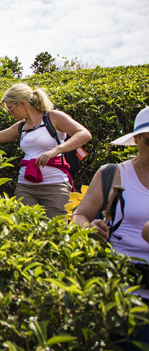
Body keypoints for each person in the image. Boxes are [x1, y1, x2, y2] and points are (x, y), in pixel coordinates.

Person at [0, 83, 92, 218]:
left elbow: (84, 134)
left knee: (57, 229)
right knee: (27, 228)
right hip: (25, 185)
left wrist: (56, 150)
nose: (9, 113)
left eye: (10, 108)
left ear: (22, 104)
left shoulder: (53, 117)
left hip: (54, 184)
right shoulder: (21, 126)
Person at [72, 107, 149, 300]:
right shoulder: (113, 174)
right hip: (120, 284)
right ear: (136, 140)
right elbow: (79, 215)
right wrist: (89, 227)